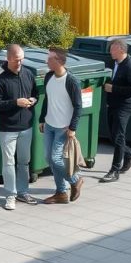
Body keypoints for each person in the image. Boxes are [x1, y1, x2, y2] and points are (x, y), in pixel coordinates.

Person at [0, 44, 39, 210]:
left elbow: (36, 94)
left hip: (26, 126)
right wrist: (15, 102)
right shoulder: (0, 80)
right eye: (17, 60)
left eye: (22, 59)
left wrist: (33, 100)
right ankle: (10, 195)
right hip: (8, 129)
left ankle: (23, 192)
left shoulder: (29, 74)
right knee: (9, 163)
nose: (20, 62)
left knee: (24, 162)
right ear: (8, 59)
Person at [38, 48, 84, 204]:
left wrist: (73, 128)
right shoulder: (49, 76)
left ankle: (75, 180)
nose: (47, 61)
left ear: (59, 61)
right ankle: (61, 193)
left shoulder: (71, 81)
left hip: (63, 128)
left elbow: (78, 106)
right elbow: (47, 99)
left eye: (50, 59)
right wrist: (42, 119)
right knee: (48, 158)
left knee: (56, 159)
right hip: (50, 124)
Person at [101, 38, 131, 183]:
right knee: (114, 137)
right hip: (113, 104)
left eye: (113, 49)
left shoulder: (130, 66)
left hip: (123, 107)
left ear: (121, 50)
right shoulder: (116, 63)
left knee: (118, 137)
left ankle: (114, 170)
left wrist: (114, 89)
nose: (110, 51)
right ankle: (130, 154)